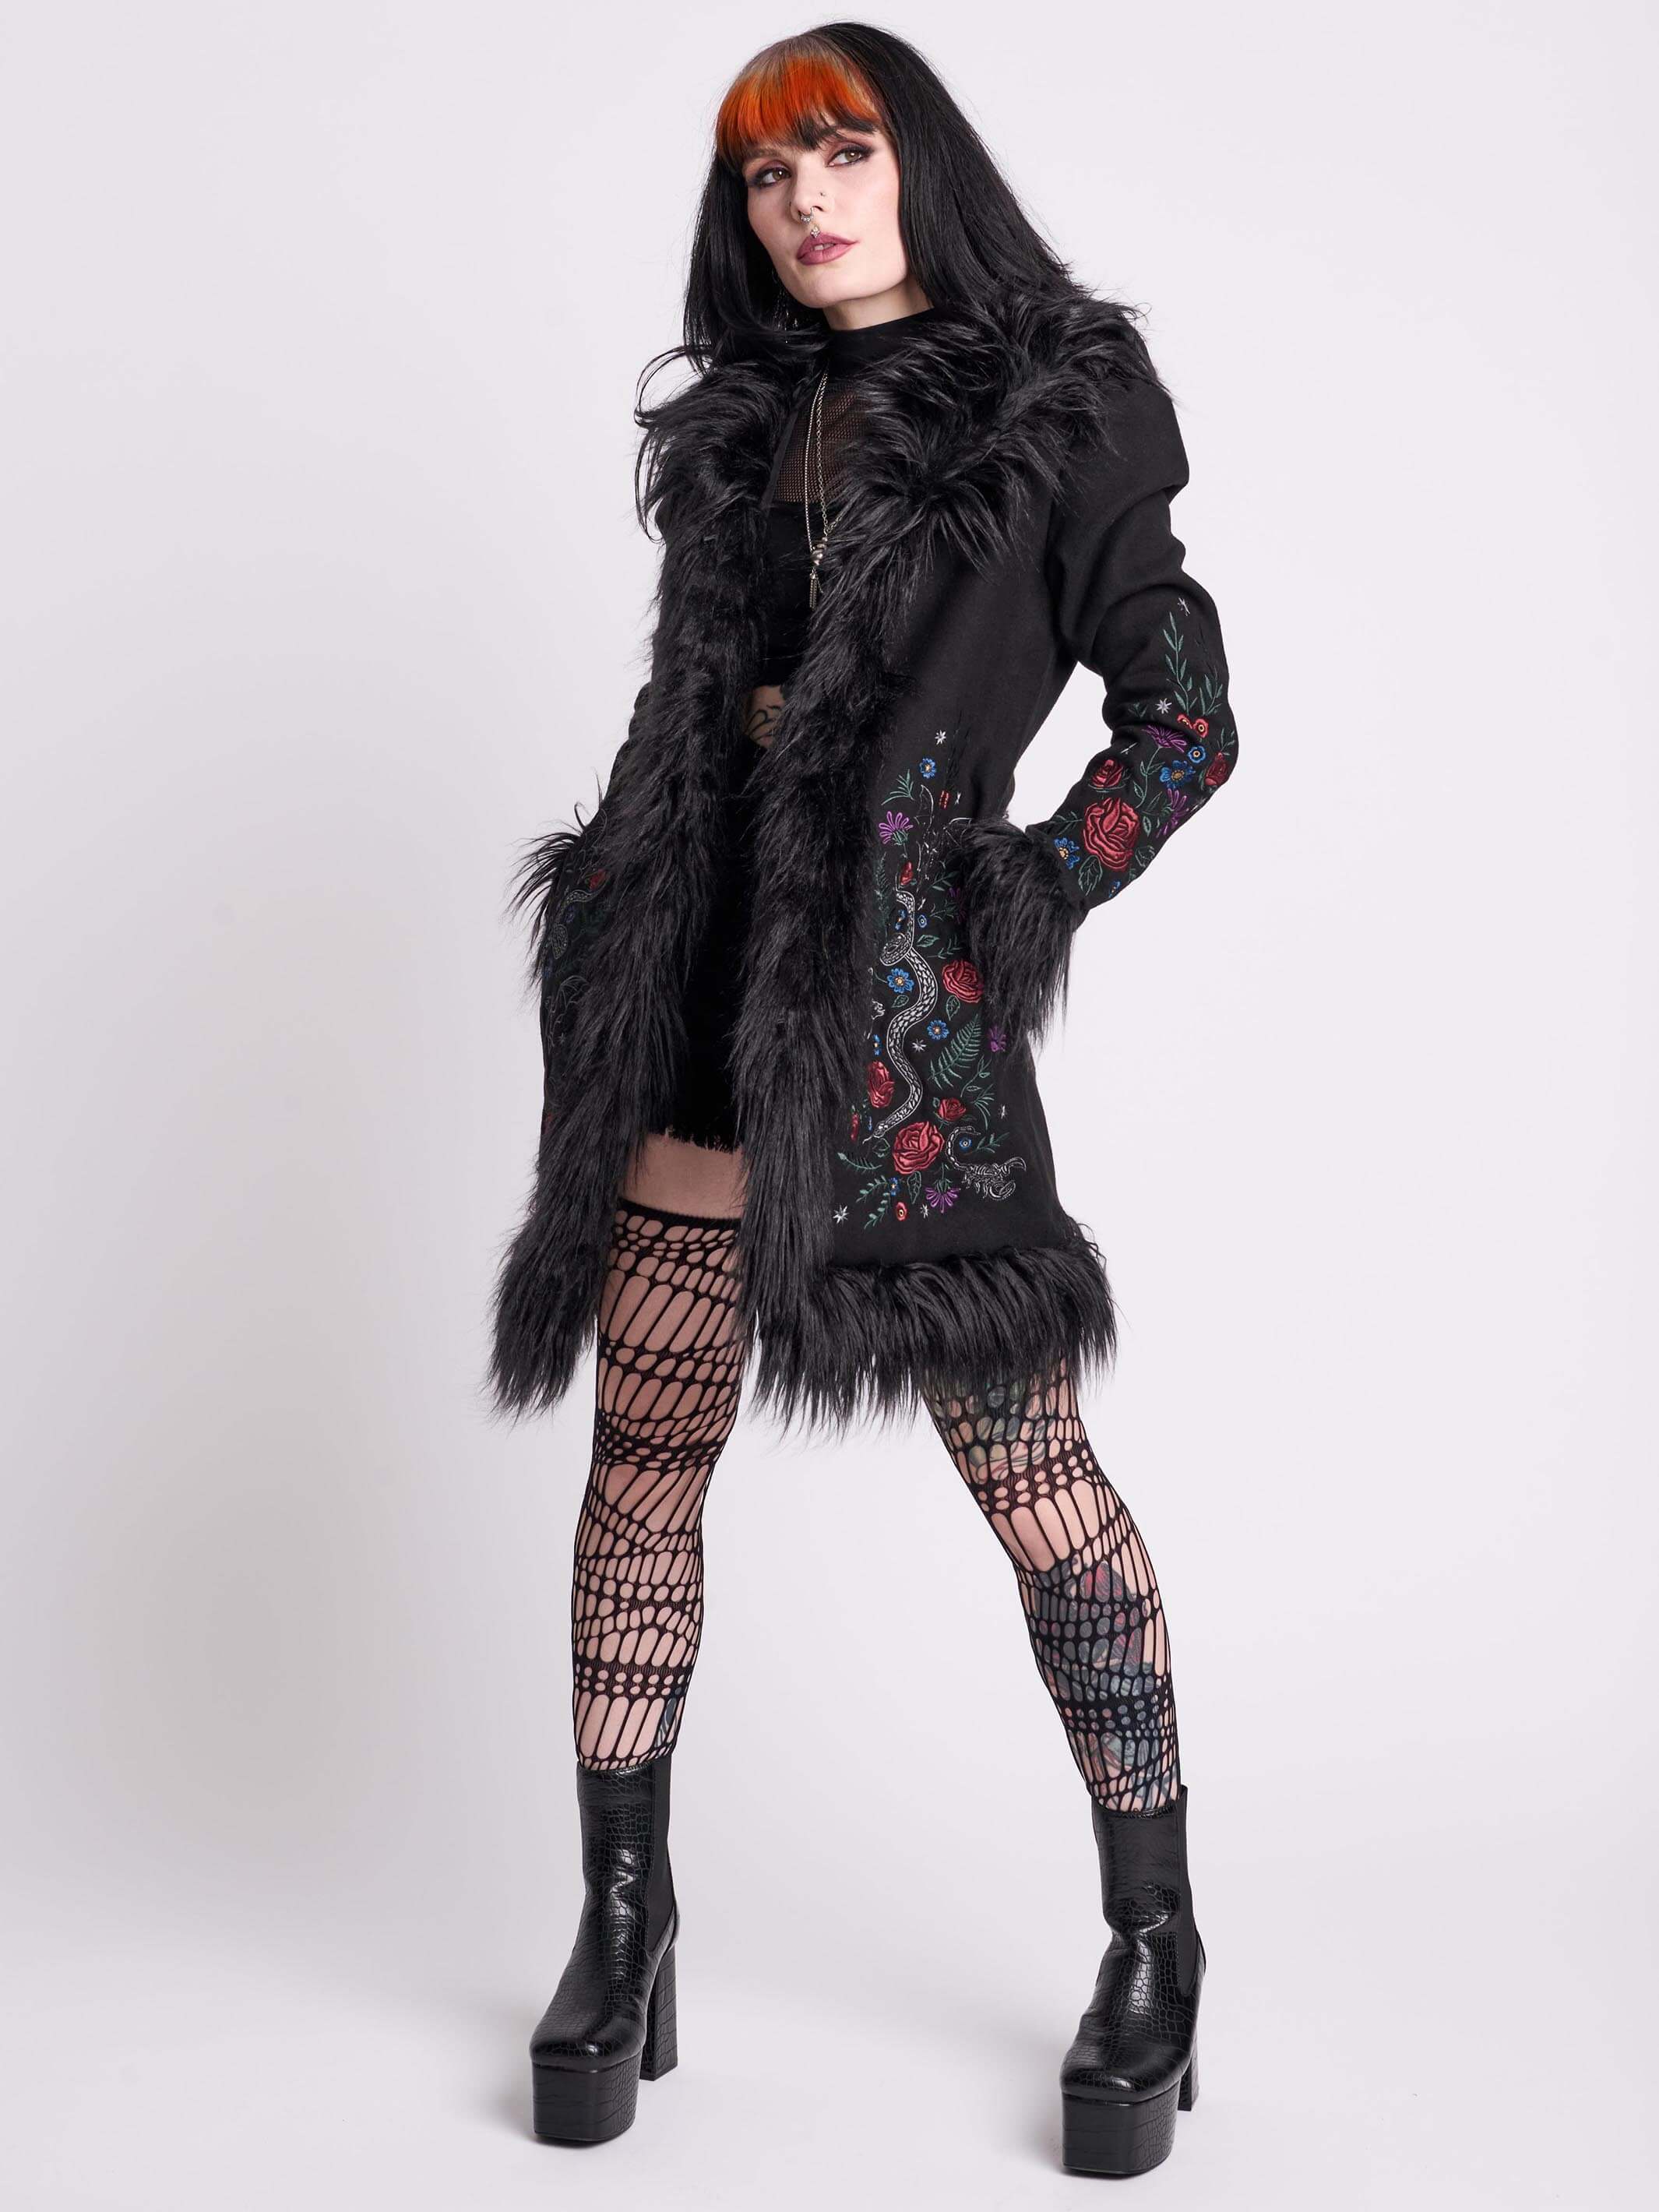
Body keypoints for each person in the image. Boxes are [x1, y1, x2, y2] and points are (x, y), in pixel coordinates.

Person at [491, 22, 1238, 2179]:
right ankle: (623, 1925)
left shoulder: (1059, 399)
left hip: (899, 1034)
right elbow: (700, 709)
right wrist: (620, 884)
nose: (802, 199)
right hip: (693, 989)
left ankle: (1155, 1943)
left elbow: (1184, 715)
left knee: (1035, 1482)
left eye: (837, 150)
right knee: (642, 1467)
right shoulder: (741, 422)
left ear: (917, 162)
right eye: (762, 174)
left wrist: (1027, 887)